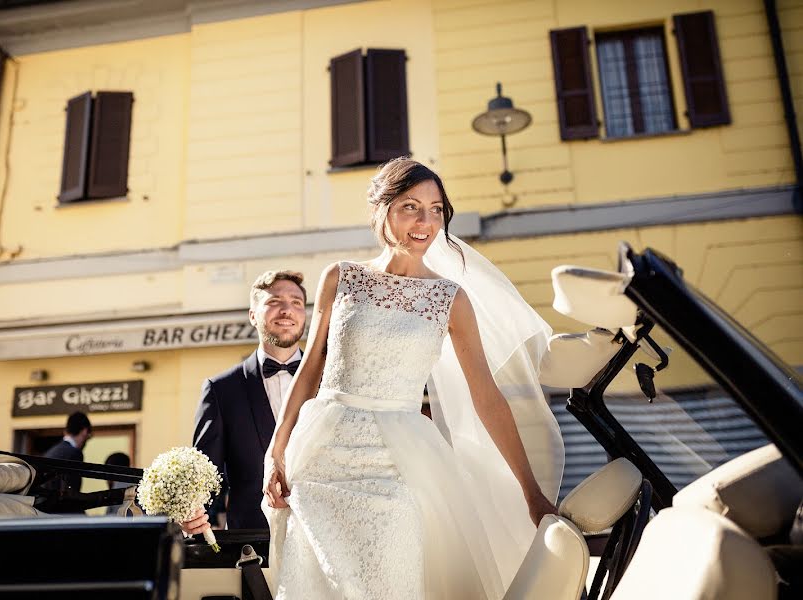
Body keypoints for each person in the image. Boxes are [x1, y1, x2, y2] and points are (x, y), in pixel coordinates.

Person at [183, 158, 564, 598]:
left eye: (436, 209)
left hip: (397, 462)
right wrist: (276, 450)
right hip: (321, 458)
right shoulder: (340, 278)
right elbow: (310, 373)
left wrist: (531, 493)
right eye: (410, 207)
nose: (425, 222)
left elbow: (487, 397)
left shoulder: (449, 299)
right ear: (382, 210)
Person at [190, 270, 307, 529]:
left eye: (296, 303)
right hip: (253, 545)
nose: (287, 310)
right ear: (253, 316)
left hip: (327, 540)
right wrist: (193, 515)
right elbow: (205, 476)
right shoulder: (221, 390)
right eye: (274, 301)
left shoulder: (332, 380)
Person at [43, 411, 92, 497]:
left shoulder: (51, 451)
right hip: (59, 508)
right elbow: (72, 492)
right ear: (85, 431)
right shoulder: (74, 453)